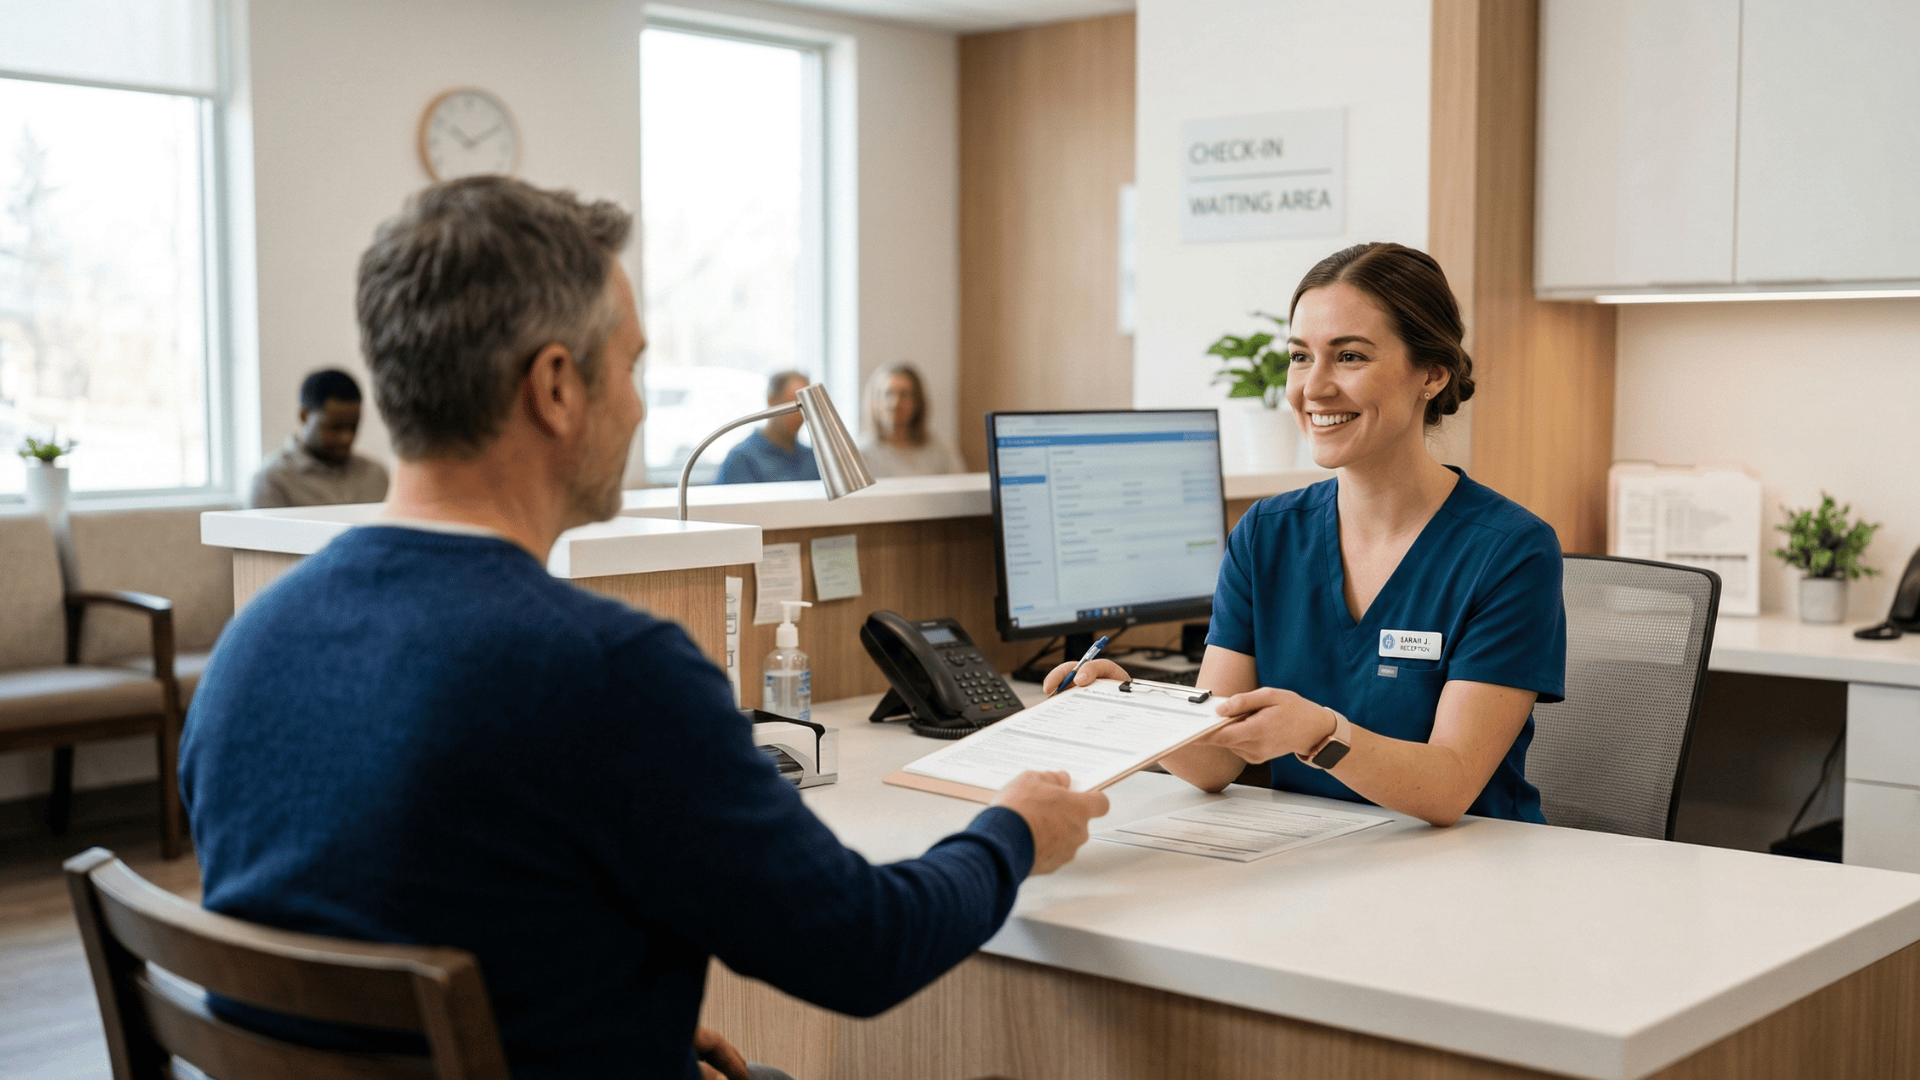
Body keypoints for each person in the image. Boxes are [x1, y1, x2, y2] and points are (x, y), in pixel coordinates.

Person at [180, 176, 1109, 1080]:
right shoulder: (605, 671)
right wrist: (1013, 831)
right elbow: (861, 949)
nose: (634, 403)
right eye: (630, 365)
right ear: (555, 385)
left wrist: (613, 1025)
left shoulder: (250, 647)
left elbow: (383, 924)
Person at [1047, 242, 1566, 827]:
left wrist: (1323, 732)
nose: (1312, 388)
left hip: (1471, 869)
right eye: (1300, 357)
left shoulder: (1510, 550)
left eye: (1348, 357)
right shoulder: (1265, 536)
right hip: (1310, 856)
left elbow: (1450, 785)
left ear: (1432, 373)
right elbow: (1218, 760)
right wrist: (1124, 705)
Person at [248, 368, 390, 508]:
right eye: (335, 427)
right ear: (304, 416)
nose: (346, 438)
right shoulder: (273, 481)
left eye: (353, 427)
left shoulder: (376, 475)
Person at [857, 363, 963, 478]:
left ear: (917, 401)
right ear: (874, 401)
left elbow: (961, 491)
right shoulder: (860, 454)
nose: (895, 403)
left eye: (904, 395)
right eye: (888, 394)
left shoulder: (940, 452)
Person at [713, 370, 819, 484]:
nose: (799, 414)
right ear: (772, 401)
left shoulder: (813, 459)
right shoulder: (742, 459)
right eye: (793, 404)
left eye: (804, 406)